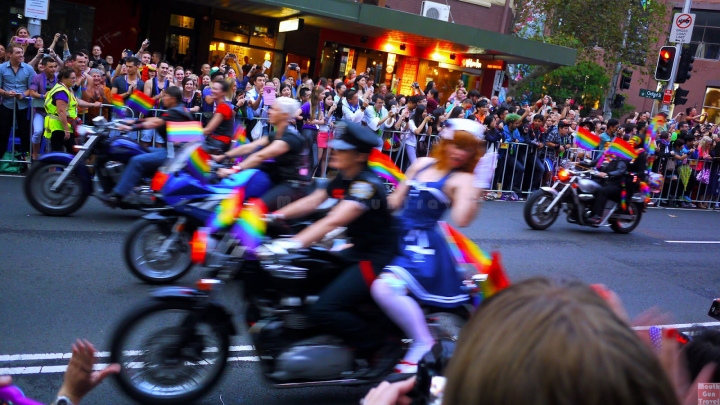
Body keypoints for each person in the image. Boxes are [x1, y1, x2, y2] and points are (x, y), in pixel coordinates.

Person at [269, 122, 399, 375]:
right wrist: (273, 216)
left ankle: (380, 345)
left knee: (325, 308)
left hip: (374, 256)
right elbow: (313, 200)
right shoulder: (345, 177)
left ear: (360, 155)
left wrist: (291, 243)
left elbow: (335, 219)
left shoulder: (367, 184)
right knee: (309, 275)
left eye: (343, 149)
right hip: (357, 248)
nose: (335, 151)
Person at [370, 119, 490, 374]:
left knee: (384, 288)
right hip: (395, 234)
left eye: (467, 149)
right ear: (445, 142)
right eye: (455, 145)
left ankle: (422, 341)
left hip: (422, 249)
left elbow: (462, 219)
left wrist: (477, 187)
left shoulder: (462, 179)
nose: (459, 152)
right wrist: (364, 212)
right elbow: (396, 200)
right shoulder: (423, 164)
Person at [212, 97, 312, 211]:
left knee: (255, 211)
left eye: (274, 109)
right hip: (279, 180)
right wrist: (223, 156)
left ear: (284, 115)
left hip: (294, 186)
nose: (269, 111)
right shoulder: (276, 134)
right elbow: (250, 146)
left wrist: (232, 170)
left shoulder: (290, 138)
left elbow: (261, 156)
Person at [100, 86, 193, 205]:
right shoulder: (178, 109)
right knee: (138, 149)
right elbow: (155, 118)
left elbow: (155, 123)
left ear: (173, 98)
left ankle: (118, 195)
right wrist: (132, 121)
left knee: (137, 160)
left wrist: (131, 128)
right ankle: (136, 183)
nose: (163, 98)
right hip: (173, 151)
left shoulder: (176, 112)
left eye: (165, 96)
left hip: (173, 155)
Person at [44, 67, 102, 153]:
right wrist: (66, 130)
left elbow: (77, 101)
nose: (75, 80)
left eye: (75, 78)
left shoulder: (67, 88)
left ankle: (60, 166)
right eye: (72, 78)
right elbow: (61, 111)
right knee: (61, 153)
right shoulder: (61, 92)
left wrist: (93, 105)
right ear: (63, 78)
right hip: (59, 126)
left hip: (63, 125)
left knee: (63, 153)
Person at [0, 43, 37, 159]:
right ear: (9, 54)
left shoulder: (29, 68)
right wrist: (6, 93)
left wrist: (23, 94)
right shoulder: (1, 68)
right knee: (3, 132)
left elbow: (32, 87)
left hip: (23, 105)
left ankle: (25, 158)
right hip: (7, 104)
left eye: (22, 52)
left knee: (25, 133)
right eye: (18, 52)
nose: (21, 55)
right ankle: (1, 157)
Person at [28, 56, 59, 160]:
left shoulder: (58, 78)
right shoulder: (37, 77)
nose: (53, 69)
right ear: (44, 67)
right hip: (40, 111)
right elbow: (32, 92)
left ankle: (50, 160)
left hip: (54, 113)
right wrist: (43, 96)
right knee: (37, 132)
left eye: (55, 67)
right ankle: (35, 156)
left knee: (52, 137)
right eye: (51, 67)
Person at [202, 79, 235, 153]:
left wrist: (188, 134)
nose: (212, 91)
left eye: (216, 89)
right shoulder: (222, 105)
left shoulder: (223, 107)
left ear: (224, 93)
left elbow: (208, 130)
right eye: (212, 88)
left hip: (218, 145)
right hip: (216, 142)